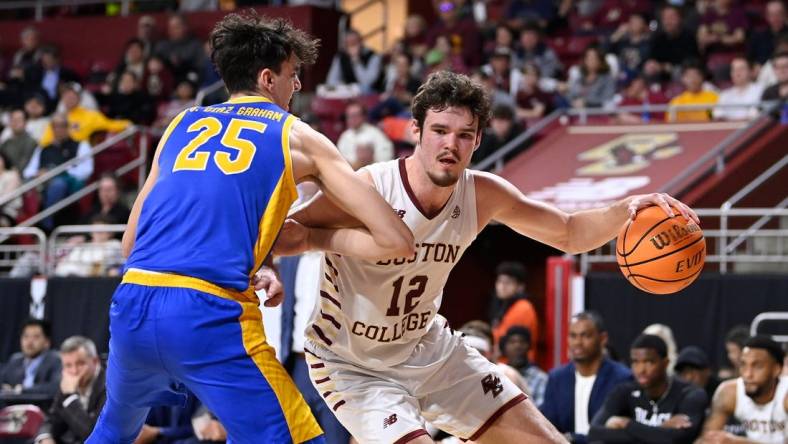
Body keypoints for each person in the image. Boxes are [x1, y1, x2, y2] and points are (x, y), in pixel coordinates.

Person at [280, 69, 699, 443]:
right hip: (354, 366)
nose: (451, 145)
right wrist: (262, 270)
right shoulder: (370, 187)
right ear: (415, 131)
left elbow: (569, 232)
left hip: (428, 349)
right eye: (440, 130)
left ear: (478, 140)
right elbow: (289, 232)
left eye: (465, 135)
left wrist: (627, 209)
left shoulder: (483, 194)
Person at [86, 12, 413, 444]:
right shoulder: (298, 136)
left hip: (132, 305)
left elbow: (132, 243)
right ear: (267, 78)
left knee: (112, 431)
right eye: (293, 74)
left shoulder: (180, 125)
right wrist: (311, 237)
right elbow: (394, 239)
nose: (297, 86)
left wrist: (258, 264)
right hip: (208, 313)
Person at [588, 334, 708, 443]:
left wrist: (627, 424)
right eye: (635, 362)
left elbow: (676, 439)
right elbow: (594, 432)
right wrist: (660, 430)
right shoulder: (624, 391)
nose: (641, 370)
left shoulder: (690, 394)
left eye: (649, 362)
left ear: (665, 363)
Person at [540, 312, 632, 443]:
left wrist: (576, 439)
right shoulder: (556, 378)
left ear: (603, 339)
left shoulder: (622, 378)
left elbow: (620, 433)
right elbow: (548, 426)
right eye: (573, 336)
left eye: (585, 336)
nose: (578, 342)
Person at [700, 336, 787, 444]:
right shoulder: (729, 392)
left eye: (757, 366)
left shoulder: (785, 394)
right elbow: (706, 440)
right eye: (743, 365)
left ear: (776, 369)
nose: (747, 374)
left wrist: (738, 442)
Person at [35, 336, 106, 444]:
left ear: (95, 361)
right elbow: (52, 421)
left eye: (80, 363)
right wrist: (45, 438)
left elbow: (93, 435)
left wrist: (70, 397)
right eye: (68, 365)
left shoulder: (109, 387)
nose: (74, 371)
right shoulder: (67, 381)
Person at [489, 261, 539, 359]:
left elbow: (514, 345)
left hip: (515, 366)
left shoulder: (523, 308)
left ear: (520, 287)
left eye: (508, 282)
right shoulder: (504, 306)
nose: (502, 286)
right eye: (499, 281)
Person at [0, 319, 61, 398]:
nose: (29, 342)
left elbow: (55, 387)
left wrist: (23, 390)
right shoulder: (15, 360)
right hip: (14, 407)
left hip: (41, 407)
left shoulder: (55, 360)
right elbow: (3, 380)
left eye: (36, 337)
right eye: (26, 336)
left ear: (47, 342)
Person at [499, 326, 547, 406]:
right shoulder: (498, 374)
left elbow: (540, 411)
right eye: (512, 342)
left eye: (522, 342)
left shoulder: (541, 378)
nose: (517, 346)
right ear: (504, 347)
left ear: (529, 346)